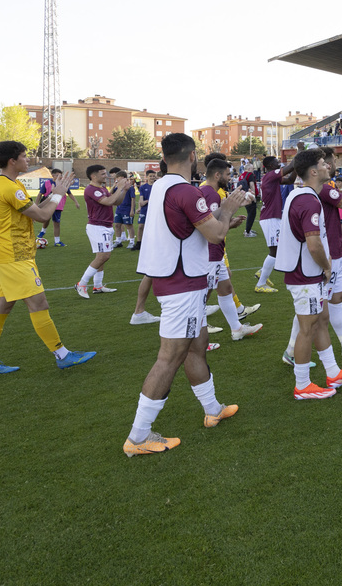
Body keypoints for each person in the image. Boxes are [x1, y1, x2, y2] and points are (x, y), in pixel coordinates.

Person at [124, 134, 252, 455]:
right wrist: (226, 207)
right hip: (182, 284)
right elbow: (215, 233)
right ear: (193, 156)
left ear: (164, 157)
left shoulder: (161, 187)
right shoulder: (185, 191)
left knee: (197, 347)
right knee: (170, 357)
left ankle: (212, 409)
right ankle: (138, 437)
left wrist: (221, 216)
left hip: (178, 280)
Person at [0, 141, 97, 376]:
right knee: (39, 304)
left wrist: (52, 195)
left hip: (10, 255)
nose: (28, 160)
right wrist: (57, 195)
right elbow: (41, 217)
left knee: (2, 306)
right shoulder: (9, 187)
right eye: (24, 156)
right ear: (12, 160)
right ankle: (62, 355)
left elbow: (31, 209)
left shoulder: (10, 183)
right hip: (15, 257)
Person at [279, 147, 342, 400]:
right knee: (308, 328)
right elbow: (314, 243)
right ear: (313, 171)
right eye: (323, 164)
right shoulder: (307, 199)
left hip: (305, 273)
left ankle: (333, 372)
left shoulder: (305, 195)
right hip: (305, 274)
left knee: (320, 319)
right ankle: (302, 385)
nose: (329, 165)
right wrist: (327, 267)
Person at [199, 159, 264, 342]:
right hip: (210, 252)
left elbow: (215, 221)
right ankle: (197, 340)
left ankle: (237, 329)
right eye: (228, 175)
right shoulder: (210, 194)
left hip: (215, 252)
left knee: (226, 288)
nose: (230, 178)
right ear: (217, 175)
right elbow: (210, 227)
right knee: (202, 296)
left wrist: (231, 223)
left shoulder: (208, 192)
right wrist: (228, 221)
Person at [76, 165, 130, 299]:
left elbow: (116, 202)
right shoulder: (91, 189)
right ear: (93, 176)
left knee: (102, 257)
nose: (105, 176)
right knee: (103, 256)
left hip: (105, 226)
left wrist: (123, 191)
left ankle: (98, 286)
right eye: (102, 174)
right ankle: (81, 283)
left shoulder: (102, 188)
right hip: (97, 227)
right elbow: (109, 201)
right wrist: (120, 187)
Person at [254, 156, 285, 292]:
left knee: (278, 249)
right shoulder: (271, 175)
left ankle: (262, 272)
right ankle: (260, 284)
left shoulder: (271, 177)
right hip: (270, 217)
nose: (279, 163)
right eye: (276, 162)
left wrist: (298, 168)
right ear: (271, 166)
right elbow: (288, 169)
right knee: (275, 250)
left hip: (273, 217)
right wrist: (300, 154)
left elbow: (289, 179)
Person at [37, 168, 81, 248]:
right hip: (47, 204)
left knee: (56, 223)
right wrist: (36, 204)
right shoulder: (47, 183)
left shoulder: (62, 184)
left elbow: (69, 193)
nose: (60, 177)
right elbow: (40, 194)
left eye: (61, 175)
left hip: (58, 206)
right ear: (53, 175)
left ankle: (57, 242)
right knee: (46, 218)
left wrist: (76, 202)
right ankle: (43, 231)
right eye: (58, 175)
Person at [131, 169, 158, 250]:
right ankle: (139, 243)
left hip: (154, 210)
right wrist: (140, 207)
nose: (152, 178)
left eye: (153, 176)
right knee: (140, 226)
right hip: (145, 209)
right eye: (150, 176)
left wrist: (146, 201)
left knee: (154, 227)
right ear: (147, 177)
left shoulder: (157, 186)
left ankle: (153, 243)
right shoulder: (143, 187)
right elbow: (141, 200)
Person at [112, 171, 138, 249]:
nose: (117, 179)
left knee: (128, 225)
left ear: (123, 178)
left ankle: (132, 241)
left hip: (127, 209)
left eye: (118, 178)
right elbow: (110, 194)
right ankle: (118, 241)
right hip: (119, 209)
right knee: (117, 225)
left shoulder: (130, 188)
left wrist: (132, 210)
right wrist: (114, 186)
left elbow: (133, 199)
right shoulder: (118, 187)